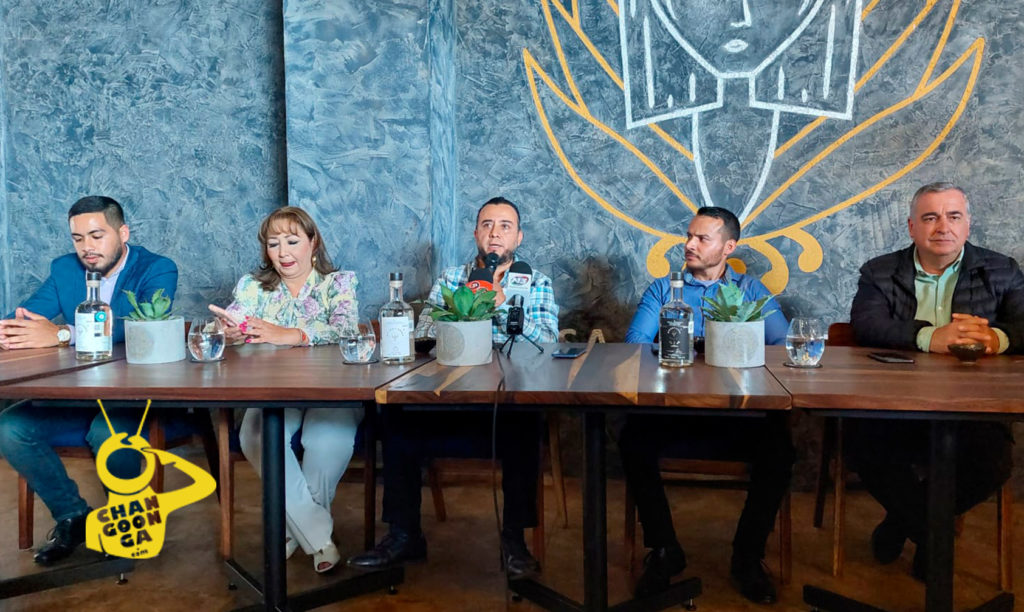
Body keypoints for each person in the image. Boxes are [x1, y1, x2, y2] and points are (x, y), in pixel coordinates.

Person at [347, 196, 559, 579]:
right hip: (448, 395)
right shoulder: (451, 279)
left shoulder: (536, 282)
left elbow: (546, 341)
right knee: (395, 417)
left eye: (505, 226)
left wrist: (503, 305)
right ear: (476, 233)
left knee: (526, 423)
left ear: (519, 236)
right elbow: (426, 333)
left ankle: (514, 540)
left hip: (505, 400)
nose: (495, 234)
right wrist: (465, 311)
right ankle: (404, 535)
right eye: (487, 225)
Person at [617, 206, 792, 604]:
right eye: (688, 236)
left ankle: (747, 556)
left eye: (702, 238)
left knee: (780, 451)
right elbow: (635, 346)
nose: (689, 245)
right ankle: (664, 550)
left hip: (738, 414)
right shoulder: (664, 289)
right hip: (674, 411)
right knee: (632, 441)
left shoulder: (750, 290)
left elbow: (782, 346)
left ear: (729, 247)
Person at [848, 182, 1021, 579]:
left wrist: (996, 338)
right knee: (864, 448)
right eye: (930, 217)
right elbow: (866, 324)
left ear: (968, 224)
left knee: (993, 463)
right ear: (912, 227)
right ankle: (933, 538)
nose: (943, 226)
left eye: (953, 216)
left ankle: (902, 523)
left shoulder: (1002, 269)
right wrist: (930, 337)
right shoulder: (879, 271)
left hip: (973, 404)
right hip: (895, 402)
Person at [0, 195, 178, 566]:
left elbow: (140, 327)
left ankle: (126, 522)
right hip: (76, 395)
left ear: (123, 233)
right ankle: (72, 516)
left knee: (107, 433)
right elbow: (26, 318)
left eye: (97, 236)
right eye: (78, 238)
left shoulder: (158, 268)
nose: (87, 247)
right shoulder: (65, 268)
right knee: (10, 427)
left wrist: (62, 334)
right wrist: (12, 331)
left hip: (135, 396)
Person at [210, 206, 361, 574]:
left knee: (326, 441)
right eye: (273, 244)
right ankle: (318, 537)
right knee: (257, 436)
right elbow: (234, 320)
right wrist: (229, 331)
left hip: (333, 389)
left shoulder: (338, 283)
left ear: (313, 242)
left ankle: (293, 530)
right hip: (271, 390)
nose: (283, 252)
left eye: (292, 241)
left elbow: (346, 330)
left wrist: (288, 335)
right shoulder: (252, 287)